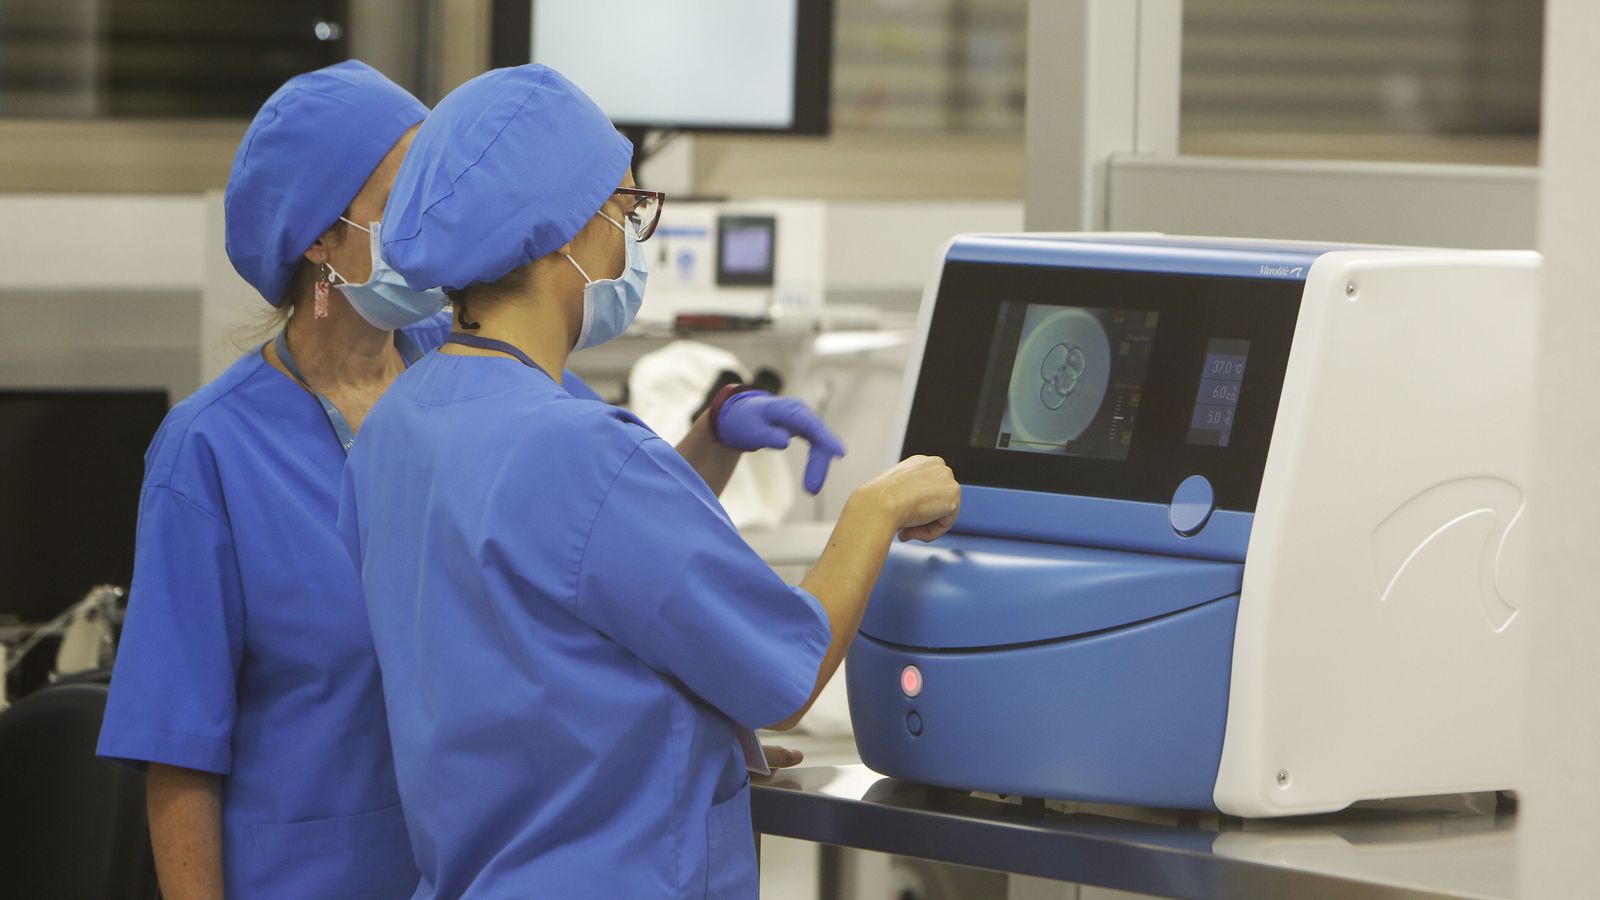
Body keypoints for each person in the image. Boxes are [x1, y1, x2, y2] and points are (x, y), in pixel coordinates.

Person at [340, 64, 961, 898]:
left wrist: (696, 747)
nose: (635, 239)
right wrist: (878, 507)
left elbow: (536, 642)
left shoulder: (402, 424)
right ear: (564, 233)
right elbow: (785, 670)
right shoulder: (578, 450)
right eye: (630, 210)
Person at [96, 60, 463, 898]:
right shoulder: (211, 449)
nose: (430, 225)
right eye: (401, 202)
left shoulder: (469, 373)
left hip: (480, 866)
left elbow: (602, 518)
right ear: (320, 240)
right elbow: (178, 748)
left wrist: (715, 432)